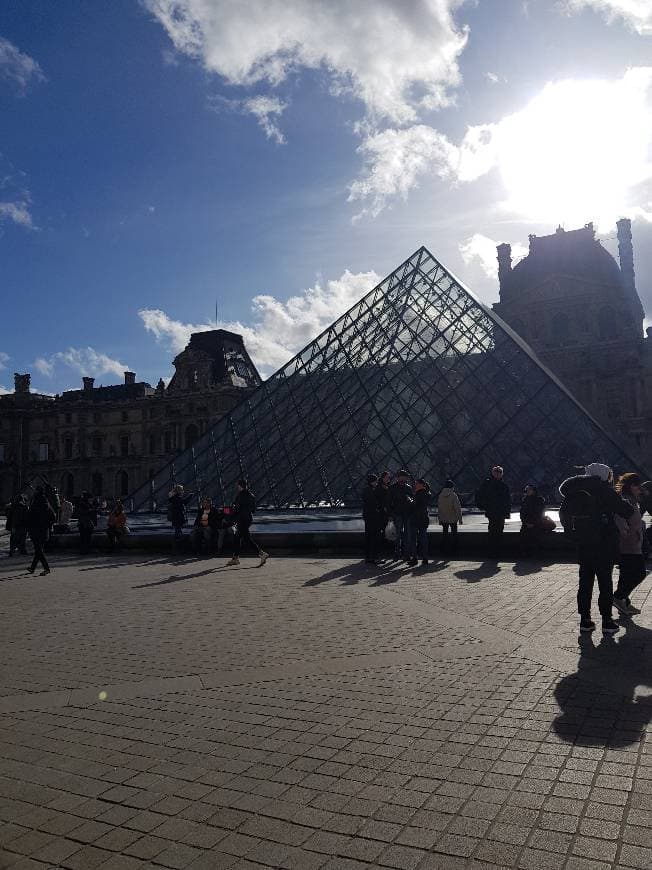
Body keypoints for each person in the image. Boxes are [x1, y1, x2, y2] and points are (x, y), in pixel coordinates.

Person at [559, 462, 633, 635]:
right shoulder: (603, 490)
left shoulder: (574, 491)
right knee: (605, 583)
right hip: (604, 543)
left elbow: (564, 515)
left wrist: (575, 533)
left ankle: (585, 620)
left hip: (583, 543)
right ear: (604, 475)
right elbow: (626, 511)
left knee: (585, 582)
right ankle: (607, 621)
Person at [613, 473, 647, 616]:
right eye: (637, 486)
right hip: (629, 544)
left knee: (626, 575)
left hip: (633, 543)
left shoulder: (632, 500)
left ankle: (624, 604)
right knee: (639, 573)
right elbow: (619, 519)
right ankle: (618, 597)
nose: (640, 488)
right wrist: (627, 534)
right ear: (631, 486)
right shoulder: (625, 502)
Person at [226, 479, 268, 567]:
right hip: (248, 518)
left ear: (239, 486)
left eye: (237, 485)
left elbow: (236, 509)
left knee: (246, 539)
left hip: (242, 519)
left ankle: (261, 553)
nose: (237, 487)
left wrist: (228, 513)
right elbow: (253, 510)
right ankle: (235, 558)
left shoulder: (240, 495)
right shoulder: (251, 495)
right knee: (238, 537)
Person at [475, 466, 511, 552]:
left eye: (499, 472)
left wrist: (483, 506)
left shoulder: (489, 484)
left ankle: (495, 550)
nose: (497, 474)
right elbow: (507, 501)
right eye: (496, 472)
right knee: (494, 531)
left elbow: (507, 501)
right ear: (493, 473)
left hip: (496, 512)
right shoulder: (501, 485)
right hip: (494, 511)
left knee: (496, 531)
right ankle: (494, 550)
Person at [26, 486, 55, 575]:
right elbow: (53, 516)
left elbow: (30, 517)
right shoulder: (46, 502)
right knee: (38, 550)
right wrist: (48, 525)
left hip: (36, 530)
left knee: (39, 550)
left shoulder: (35, 503)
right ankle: (32, 568)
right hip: (44, 530)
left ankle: (46, 568)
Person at [388, 470, 413, 561]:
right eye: (402, 477)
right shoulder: (392, 488)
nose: (404, 478)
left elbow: (412, 500)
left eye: (405, 477)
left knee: (407, 535)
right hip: (397, 514)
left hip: (406, 514)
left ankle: (406, 554)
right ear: (398, 478)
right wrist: (391, 514)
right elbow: (388, 502)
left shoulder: (408, 488)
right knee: (397, 535)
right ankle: (397, 553)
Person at [408, 479, 431, 566]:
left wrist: (409, 501)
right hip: (424, 519)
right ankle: (425, 558)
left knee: (413, 540)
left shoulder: (418, 494)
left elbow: (414, 505)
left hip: (415, 519)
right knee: (423, 539)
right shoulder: (427, 494)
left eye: (416, 484)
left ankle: (415, 558)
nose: (415, 485)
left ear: (422, 485)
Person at [362, 474, 383, 564]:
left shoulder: (366, 490)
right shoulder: (370, 491)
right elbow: (374, 502)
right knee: (374, 537)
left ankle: (369, 557)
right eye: (375, 481)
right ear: (372, 482)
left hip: (368, 516)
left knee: (369, 537)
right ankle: (374, 557)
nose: (377, 482)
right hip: (372, 516)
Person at [437, 479, 463, 552]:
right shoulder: (453, 495)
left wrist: (439, 519)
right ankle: (455, 550)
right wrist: (460, 519)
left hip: (444, 518)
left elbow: (439, 508)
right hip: (453, 518)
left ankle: (443, 549)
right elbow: (457, 508)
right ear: (452, 487)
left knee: (445, 534)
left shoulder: (440, 495)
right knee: (454, 534)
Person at [519, 484, 546, 554]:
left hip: (536, 524)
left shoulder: (539, 500)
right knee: (524, 537)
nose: (526, 491)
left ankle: (535, 553)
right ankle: (526, 553)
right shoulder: (524, 500)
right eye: (526, 490)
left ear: (533, 491)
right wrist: (526, 522)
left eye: (528, 490)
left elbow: (540, 513)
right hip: (527, 523)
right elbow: (522, 513)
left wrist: (532, 523)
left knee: (535, 537)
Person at [167, 484, 188, 550]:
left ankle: (177, 549)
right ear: (179, 491)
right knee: (178, 533)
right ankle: (177, 549)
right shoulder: (176, 498)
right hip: (178, 519)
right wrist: (190, 496)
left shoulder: (174, 498)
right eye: (182, 490)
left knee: (178, 532)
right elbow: (184, 503)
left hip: (176, 519)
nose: (183, 491)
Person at [376, 470, 391, 551]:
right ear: (383, 477)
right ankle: (381, 550)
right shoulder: (380, 487)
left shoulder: (385, 486)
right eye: (388, 477)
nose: (389, 478)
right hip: (381, 513)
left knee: (383, 531)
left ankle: (382, 550)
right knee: (381, 531)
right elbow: (380, 500)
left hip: (384, 512)